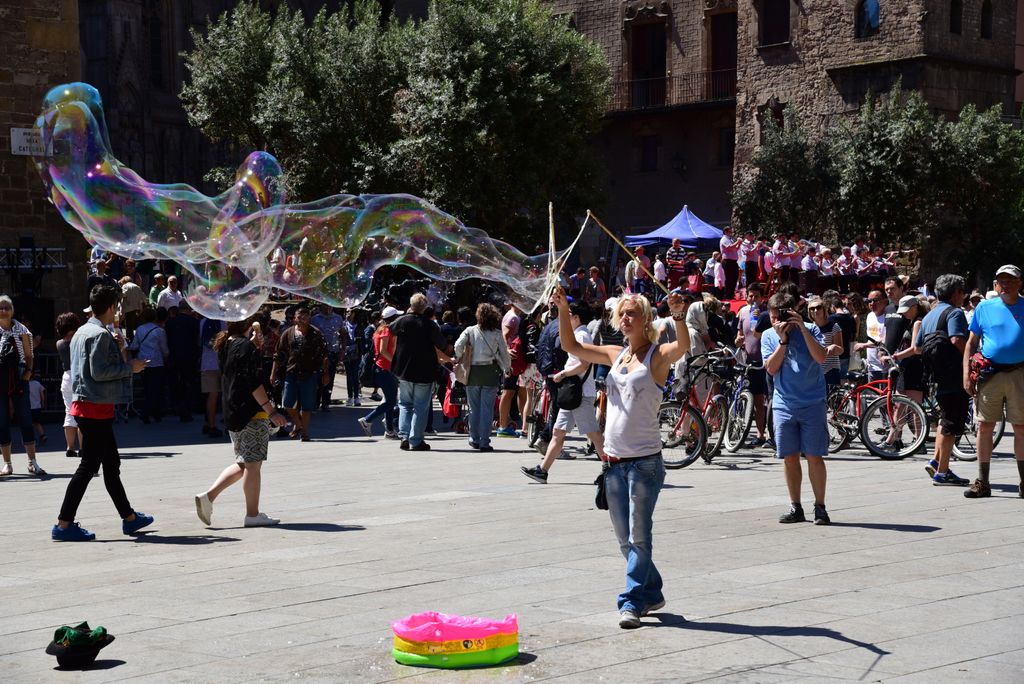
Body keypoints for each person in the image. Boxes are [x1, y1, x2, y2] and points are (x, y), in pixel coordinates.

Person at [549, 288, 690, 629]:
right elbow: (572, 347)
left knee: (639, 536)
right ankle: (652, 591)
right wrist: (564, 310)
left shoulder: (657, 356)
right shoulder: (616, 354)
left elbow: (682, 347)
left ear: (646, 320)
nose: (626, 318)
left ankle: (631, 603)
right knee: (625, 540)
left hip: (644, 462)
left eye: (633, 314)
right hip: (612, 462)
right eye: (622, 314)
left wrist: (679, 316)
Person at [51, 285, 151, 541]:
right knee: (89, 466)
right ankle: (64, 524)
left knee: (111, 464)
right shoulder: (99, 334)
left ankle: (129, 518)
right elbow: (99, 372)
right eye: (116, 306)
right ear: (110, 307)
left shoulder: (84, 330)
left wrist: (118, 351)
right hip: (94, 408)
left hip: (88, 406)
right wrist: (132, 367)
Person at [194, 316, 289, 528]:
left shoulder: (227, 343)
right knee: (253, 465)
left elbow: (238, 371)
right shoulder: (245, 347)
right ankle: (252, 514)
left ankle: (208, 497)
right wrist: (271, 411)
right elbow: (253, 383)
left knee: (244, 462)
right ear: (248, 325)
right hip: (251, 412)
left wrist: (253, 345)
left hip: (233, 410)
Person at [762, 292, 831, 526]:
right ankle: (796, 506)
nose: (776, 321)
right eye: (772, 317)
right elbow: (771, 369)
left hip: (812, 402)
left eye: (780, 316)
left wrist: (802, 328)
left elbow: (821, 358)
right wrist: (782, 341)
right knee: (790, 458)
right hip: (784, 405)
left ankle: (820, 507)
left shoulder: (810, 329)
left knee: (814, 456)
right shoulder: (769, 336)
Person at [522, 301, 604, 481]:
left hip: (580, 393)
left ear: (576, 317)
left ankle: (612, 468)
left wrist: (563, 373)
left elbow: (584, 363)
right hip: (573, 393)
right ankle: (542, 471)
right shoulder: (578, 334)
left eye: (568, 315)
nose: (565, 318)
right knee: (558, 432)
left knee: (594, 434)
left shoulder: (582, 336)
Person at [962, 264, 1024, 499]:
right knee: (985, 426)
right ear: (996, 284)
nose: (1005, 285)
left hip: (1020, 373)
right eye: (1001, 281)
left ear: (1020, 283)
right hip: (991, 374)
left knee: (1021, 428)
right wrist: (966, 373)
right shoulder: (985, 308)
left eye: (1010, 280)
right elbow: (970, 343)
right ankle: (983, 482)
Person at [917, 274, 971, 487]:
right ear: (957, 293)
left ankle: (937, 460)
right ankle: (943, 471)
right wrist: (970, 357)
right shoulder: (955, 312)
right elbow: (957, 338)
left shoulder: (930, 315)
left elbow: (919, 346)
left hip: (936, 375)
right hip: (954, 374)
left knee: (944, 419)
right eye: (962, 292)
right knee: (951, 422)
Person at [390, 293, 451, 451]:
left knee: (404, 404)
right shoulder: (429, 325)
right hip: (424, 370)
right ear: (424, 308)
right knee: (421, 406)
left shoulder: (402, 321)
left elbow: (390, 329)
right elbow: (442, 344)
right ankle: (416, 440)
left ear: (411, 306)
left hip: (404, 369)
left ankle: (404, 435)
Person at [455, 303, 511, 452]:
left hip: (473, 372)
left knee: (473, 408)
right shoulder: (497, 333)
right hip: (490, 371)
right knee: (487, 409)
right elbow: (504, 354)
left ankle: (474, 438)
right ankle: (485, 441)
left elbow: (457, 346)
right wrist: (507, 368)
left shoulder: (470, 331)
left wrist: (460, 356)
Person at [272, 305, 329, 442]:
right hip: (291, 372)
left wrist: (326, 373)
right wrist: (272, 374)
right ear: (294, 319)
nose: (302, 319)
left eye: (305, 317)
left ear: (309, 318)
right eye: (299, 317)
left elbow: (324, 355)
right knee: (287, 403)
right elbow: (278, 354)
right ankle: (298, 424)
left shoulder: (316, 333)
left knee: (307, 406)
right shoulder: (288, 333)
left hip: (309, 374)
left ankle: (305, 432)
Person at [0, 296, 43, 477]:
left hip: (19, 378)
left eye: (7, 307)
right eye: (1, 307)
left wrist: (27, 374)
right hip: (0, 379)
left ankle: (32, 462)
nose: (3, 311)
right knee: (2, 422)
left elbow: (29, 354)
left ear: (13, 310)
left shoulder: (22, 330)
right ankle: (7, 464)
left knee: (25, 419)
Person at [357, 306, 401, 438]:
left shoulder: (380, 329)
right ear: (393, 319)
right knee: (391, 402)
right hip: (384, 369)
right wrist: (395, 362)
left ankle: (389, 431)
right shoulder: (387, 330)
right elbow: (383, 350)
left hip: (382, 368)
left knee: (389, 399)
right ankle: (367, 419)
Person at [735, 284, 768, 445]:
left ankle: (761, 435)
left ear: (762, 298)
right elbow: (739, 335)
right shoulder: (742, 312)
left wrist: (761, 316)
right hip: (747, 361)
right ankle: (741, 431)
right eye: (750, 296)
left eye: (756, 296)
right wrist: (738, 340)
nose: (753, 299)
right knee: (748, 397)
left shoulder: (766, 314)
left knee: (760, 400)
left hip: (764, 361)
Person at [128, 307, 169, 424]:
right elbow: (164, 349)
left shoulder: (140, 329)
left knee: (147, 389)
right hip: (157, 362)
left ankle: (150, 412)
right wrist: (166, 358)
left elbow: (134, 345)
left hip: (143, 363)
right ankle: (150, 412)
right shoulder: (159, 331)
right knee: (156, 389)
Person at [55, 311, 83, 458]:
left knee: (69, 411)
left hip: (66, 377)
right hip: (79, 375)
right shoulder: (78, 340)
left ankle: (70, 447)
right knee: (82, 413)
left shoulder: (59, 343)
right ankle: (83, 447)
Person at [496, 303, 524, 437]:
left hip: (510, 359)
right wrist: (506, 350)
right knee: (508, 392)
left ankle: (504, 424)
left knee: (511, 392)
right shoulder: (513, 318)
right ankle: (503, 426)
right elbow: (504, 335)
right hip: (511, 360)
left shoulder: (510, 316)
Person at [311, 304, 344, 410]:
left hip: (333, 352)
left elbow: (343, 333)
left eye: (330, 306)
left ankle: (326, 402)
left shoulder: (338, 318)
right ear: (321, 307)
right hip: (318, 353)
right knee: (318, 378)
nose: (328, 308)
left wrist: (342, 349)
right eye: (326, 306)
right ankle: (315, 402)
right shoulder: (315, 319)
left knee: (330, 377)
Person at [807, 296, 843, 388]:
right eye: (812, 308)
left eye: (818, 307)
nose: (815, 310)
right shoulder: (808, 329)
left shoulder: (833, 327)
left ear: (824, 310)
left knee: (831, 401)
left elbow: (841, 350)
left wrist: (834, 347)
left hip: (831, 371)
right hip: (815, 371)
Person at [199, 317, 225, 437]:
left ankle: (210, 424)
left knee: (211, 395)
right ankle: (224, 424)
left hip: (207, 362)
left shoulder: (203, 321)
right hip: (221, 362)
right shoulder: (223, 321)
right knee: (224, 394)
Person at [855, 290, 888, 382]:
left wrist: (864, 345)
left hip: (885, 365)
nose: (872, 303)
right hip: (872, 365)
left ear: (885, 301)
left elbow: (886, 339)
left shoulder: (888, 316)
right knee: (873, 395)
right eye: (869, 301)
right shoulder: (870, 316)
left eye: (876, 300)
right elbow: (871, 338)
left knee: (886, 395)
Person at [341, 309, 363, 407]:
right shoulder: (343, 325)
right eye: (347, 312)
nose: (348, 314)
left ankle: (357, 397)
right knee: (349, 376)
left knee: (355, 375)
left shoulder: (358, 325)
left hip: (356, 352)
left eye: (350, 312)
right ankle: (350, 397)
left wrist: (359, 343)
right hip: (346, 352)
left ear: (354, 314)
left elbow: (363, 339)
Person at [719, 226, 740, 299]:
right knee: (729, 278)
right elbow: (729, 247)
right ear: (726, 232)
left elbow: (735, 249)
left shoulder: (730, 240)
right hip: (727, 261)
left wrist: (739, 243)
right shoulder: (724, 239)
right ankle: (727, 295)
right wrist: (737, 241)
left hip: (733, 261)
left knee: (734, 277)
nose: (731, 233)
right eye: (730, 232)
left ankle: (731, 294)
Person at [29, 373, 46, 444]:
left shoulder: (25, 384)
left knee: (30, 424)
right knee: (37, 423)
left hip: (28, 407)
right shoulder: (37, 383)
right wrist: (42, 403)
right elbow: (42, 394)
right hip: (37, 407)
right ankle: (42, 435)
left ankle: (32, 438)